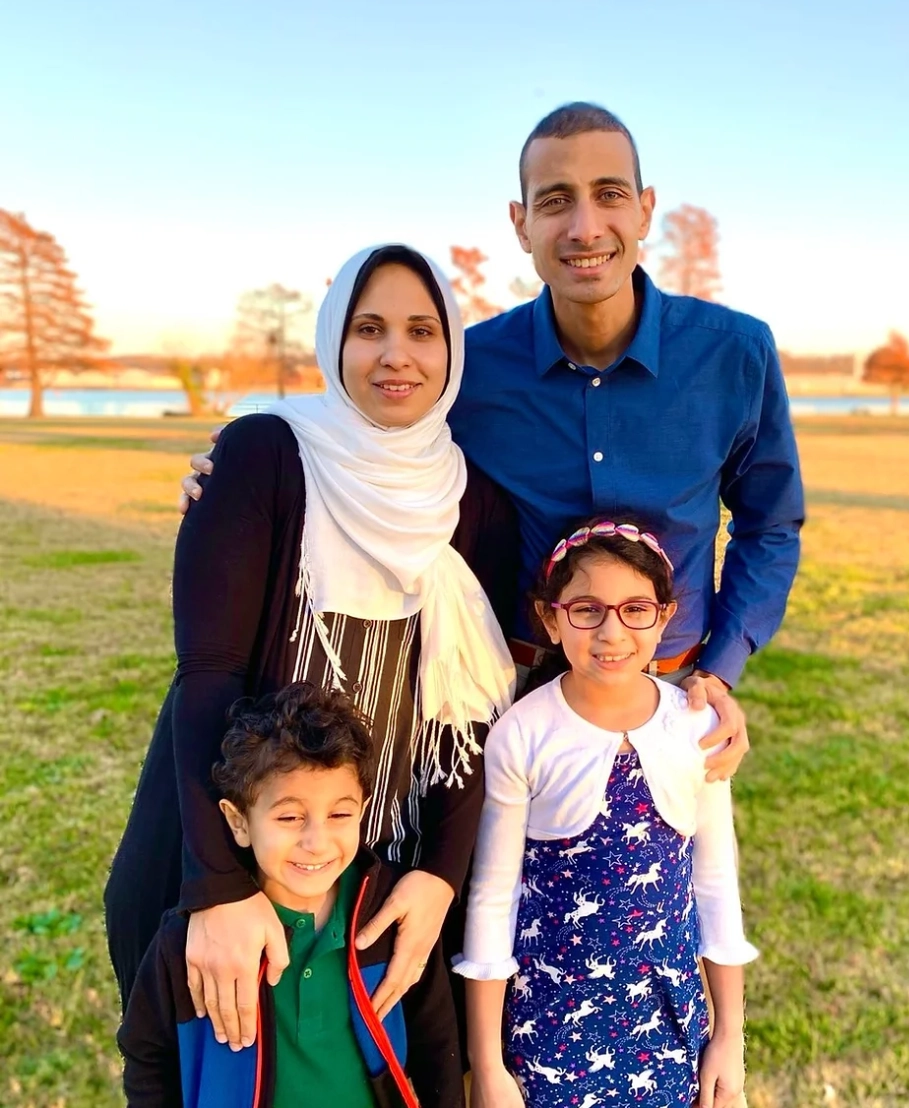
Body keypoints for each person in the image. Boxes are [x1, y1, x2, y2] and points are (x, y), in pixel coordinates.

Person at [181, 102, 804, 783]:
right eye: (556, 200)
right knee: (491, 889)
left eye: (609, 195)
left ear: (645, 211)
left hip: (670, 694)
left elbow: (770, 524)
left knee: (665, 888)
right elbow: (368, 432)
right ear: (521, 223)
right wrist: (247, 466)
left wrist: (720, 668)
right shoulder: (467, 368)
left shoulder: (735, 354)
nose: (585, 226)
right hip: (505, 694)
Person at [104, 244, 518, 1058]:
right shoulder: (265, 454)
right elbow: (207, 676)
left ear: (451, 351)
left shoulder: (479, 505)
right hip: (243, 852)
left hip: (376, 872)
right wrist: (220, 889)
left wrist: (436, 876)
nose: (395, 354)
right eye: (369, 328)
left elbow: (471, 717)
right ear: (334, 341)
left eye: (422, 330)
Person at [455, 518, 758, 1108]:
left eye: (635, 609)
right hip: (549, 1029)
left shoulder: (697, 727)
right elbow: (494, 897)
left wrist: (728, 1037)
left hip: (669, 1026)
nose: (611, 631)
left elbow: (715, 886)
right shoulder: (522, 733)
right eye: (586, 609)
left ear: (666, 616)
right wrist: (488, 1066)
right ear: (550, 616)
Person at [118, 682, 464, 1108]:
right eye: (289, 816)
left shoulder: (390, 913)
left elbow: (438, 1040)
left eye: (339, 814)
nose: (316, 841)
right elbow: (147, 1056)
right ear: (239, 822)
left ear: (363, 809)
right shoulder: (193, 941)